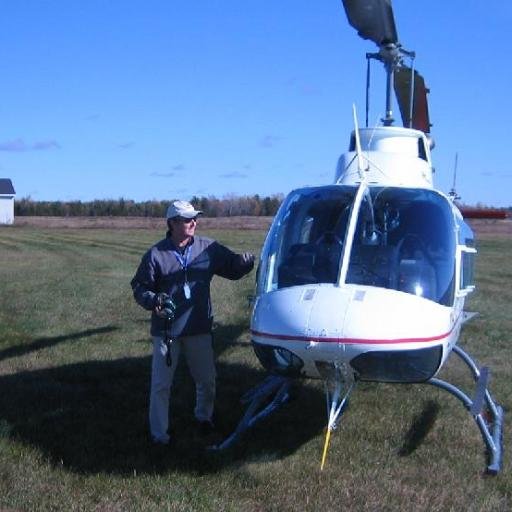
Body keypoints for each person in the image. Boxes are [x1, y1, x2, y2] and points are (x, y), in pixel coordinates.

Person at [131, 200, 255, 445]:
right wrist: (154, 300)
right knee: (160, 386)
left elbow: (232, 267)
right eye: (188, 219)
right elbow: (139, 287)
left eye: (194, 218)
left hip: (198, 328)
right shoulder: (156, 255)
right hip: (166, 332)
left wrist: (245, 263)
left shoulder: (208, 248)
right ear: (173, 223)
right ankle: (159, 435)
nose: (193, 223)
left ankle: (203, 418)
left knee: (207, 380)